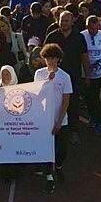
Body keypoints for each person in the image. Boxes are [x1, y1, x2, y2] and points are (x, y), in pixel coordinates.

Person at [33, 43, 71, 194]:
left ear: (58, 59)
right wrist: (47, 81)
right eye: (47, 58)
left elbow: (66, 99)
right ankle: (49, 176)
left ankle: (59, 166)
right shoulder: (39, 74)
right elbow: (36, 95)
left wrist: (60, 121)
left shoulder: (64, 76)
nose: (50, 61)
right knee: (46, 149)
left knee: (62, 150)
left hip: (60, 119)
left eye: (53, 58)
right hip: (44, 119)